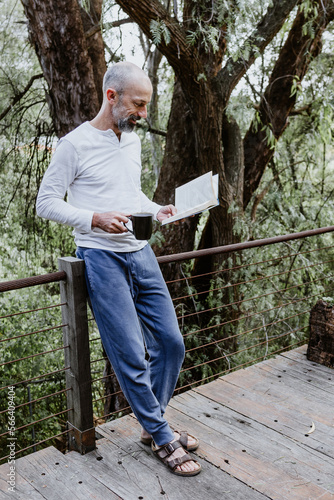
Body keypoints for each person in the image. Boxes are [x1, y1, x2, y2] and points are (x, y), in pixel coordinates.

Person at [36, 61, 201, 476]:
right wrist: (93, 218)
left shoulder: (131, 141)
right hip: (101, 257)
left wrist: (154, 207)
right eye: (138, 105)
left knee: (171, 343)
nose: (144, 114)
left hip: (140, 251)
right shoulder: (72, 145)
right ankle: (163, 437)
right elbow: (46, 203)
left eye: (146, 106)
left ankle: (152, 425)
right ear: (111, 97)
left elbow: (130, 193)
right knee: (129, 353)